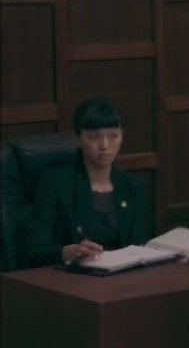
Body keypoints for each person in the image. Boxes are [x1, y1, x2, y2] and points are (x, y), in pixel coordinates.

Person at [26, 98, 149, 267]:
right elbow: (35, 251)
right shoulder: (55, 183)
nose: (105, 145)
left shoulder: (132, 187)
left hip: (123, 275)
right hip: (73, 276)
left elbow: (140, 244)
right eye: (94, 137)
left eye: (113, 136)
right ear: (78, 138)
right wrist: (67, 252)